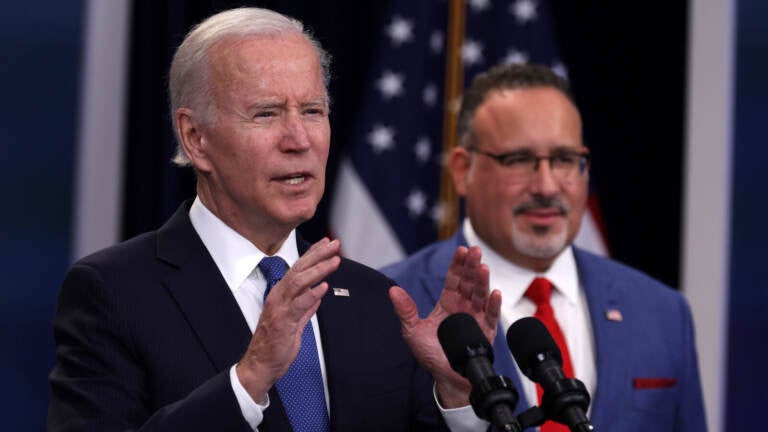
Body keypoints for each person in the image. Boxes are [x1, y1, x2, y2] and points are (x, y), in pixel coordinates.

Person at [47, 7, 499, 432]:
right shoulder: (114, 292)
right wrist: (250, 377)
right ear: (195, 137)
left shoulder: (375, 299)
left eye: (312, 111)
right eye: (265, 114)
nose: (299, 139)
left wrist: (457, 395)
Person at [382, 63, 707, 431]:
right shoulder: (387, 304)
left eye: (565, 160)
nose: (547, 186)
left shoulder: (662, 312)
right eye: (519, 160)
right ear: (462, 169)